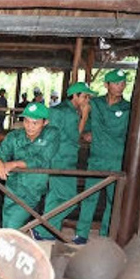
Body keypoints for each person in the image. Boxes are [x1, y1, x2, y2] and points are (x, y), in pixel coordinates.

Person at [73, 69, 131, 244]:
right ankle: (81, 234)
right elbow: (84, 124)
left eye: (122, 83)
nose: (120, 86)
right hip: (96, 159)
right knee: (89, 196)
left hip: (118, 160)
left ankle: (106, 235)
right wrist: (86, 134)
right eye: (116, 83)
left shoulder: (129, 108)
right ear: (106, 85)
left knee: (114, 201)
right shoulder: (95, 104)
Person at [32, 82, 94, 240]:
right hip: (62, 160)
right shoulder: (69, 113)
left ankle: (48, 231)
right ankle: (41, 228)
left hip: (58, 158)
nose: (87, 100)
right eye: (85, 96)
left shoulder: (59, 110)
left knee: (55, 197)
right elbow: (75, 136)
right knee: (70, 200)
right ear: (75, 96)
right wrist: (85, 116)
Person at [0, 102, 60, 229]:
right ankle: (10, 245)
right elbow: (0, 153)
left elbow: (42, 159)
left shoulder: (51, 135)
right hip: (12, 187)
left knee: (12, 224)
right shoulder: (14, 136)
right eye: (26, 121)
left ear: (45, 122)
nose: (29, 126)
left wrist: (14, 163)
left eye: (35, 123)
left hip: (32, 188)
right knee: (8, 223)